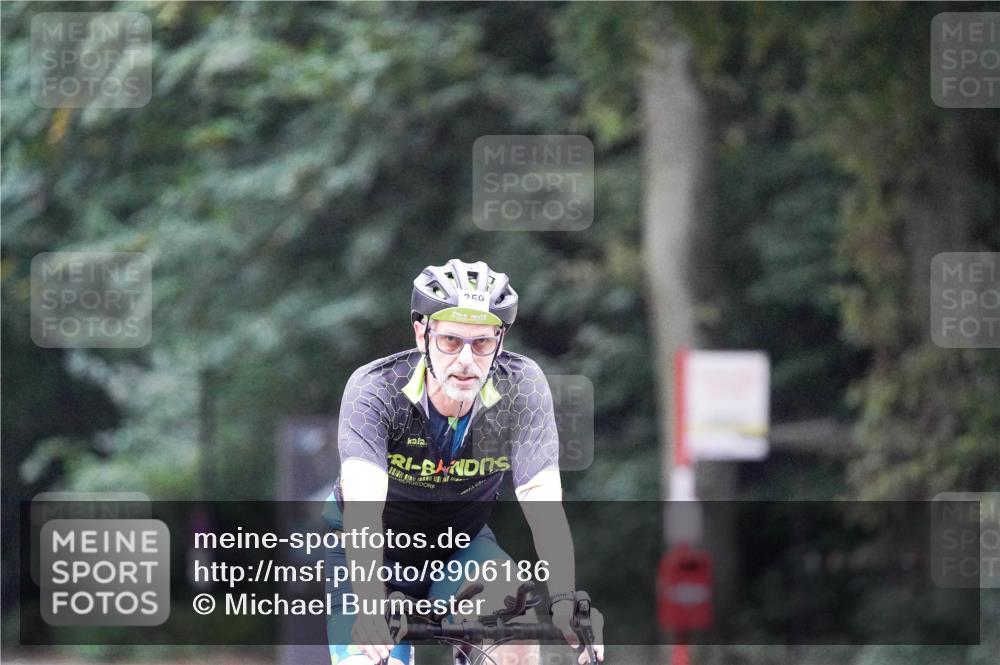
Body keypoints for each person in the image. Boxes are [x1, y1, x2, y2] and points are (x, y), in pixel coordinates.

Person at [325, 259, 603, 665]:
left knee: (517, 635)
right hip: (372, 554)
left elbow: (544, 507)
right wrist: (369, 606)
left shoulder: (520, 389)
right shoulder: (376, 390)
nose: (467, 361)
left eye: (482, 343)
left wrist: (565, 600)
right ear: (422, 333)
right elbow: (364, 511)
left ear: (500, 341)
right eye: (451, 341)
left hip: (460, 549)